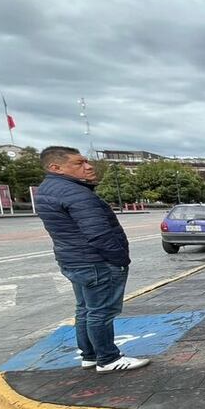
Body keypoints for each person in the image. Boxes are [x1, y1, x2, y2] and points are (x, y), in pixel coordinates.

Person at [35, 146, 149, 373]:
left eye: (86, 161)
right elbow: (98, 232)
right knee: (101, 312)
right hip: (95, 261)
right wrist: (119, 259)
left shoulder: (47, 191)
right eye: (79, 163)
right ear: (55, 167)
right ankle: (108, 358)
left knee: (85, 309)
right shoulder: (75, 193)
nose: (88, 166)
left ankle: (90, 355)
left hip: (74, 259)